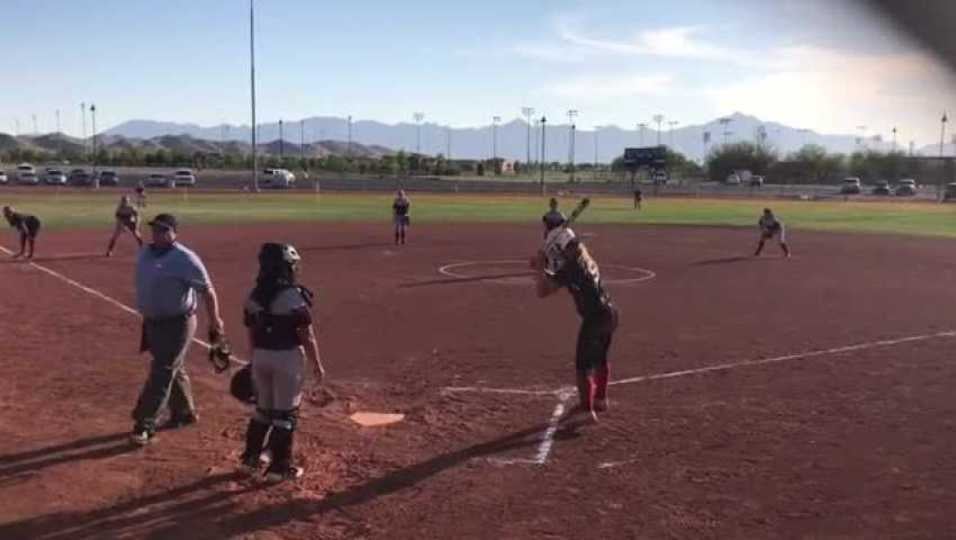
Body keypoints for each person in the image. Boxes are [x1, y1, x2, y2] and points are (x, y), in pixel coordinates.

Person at [130, 213, 225, 446]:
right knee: (173, 366)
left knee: (162, 369)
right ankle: (184, 412)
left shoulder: (185, 259)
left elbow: (207, 290)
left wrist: (215, 321)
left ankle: (144, 423)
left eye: (164, 230)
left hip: (178, 323)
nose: (158, 233)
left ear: (174, 233)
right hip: (152, 322)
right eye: (155, 229)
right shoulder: (146, 253)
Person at [240, 243, 325, 482]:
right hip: (287, 360)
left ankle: (249, 461)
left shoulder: (253, 296)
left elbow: (251, 333)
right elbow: (307, 335)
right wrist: (317, 364)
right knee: (285, 416)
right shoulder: (293, 296)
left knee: (263, 412)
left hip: (261, 357)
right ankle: (279, 468)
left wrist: (253, 361)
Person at [530, 227, 618, 423]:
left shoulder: (571, 268)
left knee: (582, 367)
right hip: (610, 313)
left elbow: (542, 291)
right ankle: (601, 400)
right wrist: (543, 267)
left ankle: (587, 412)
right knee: (600, 358)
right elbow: (559, 274)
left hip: (594, 318)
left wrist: (540, 268)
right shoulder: (583, 257)